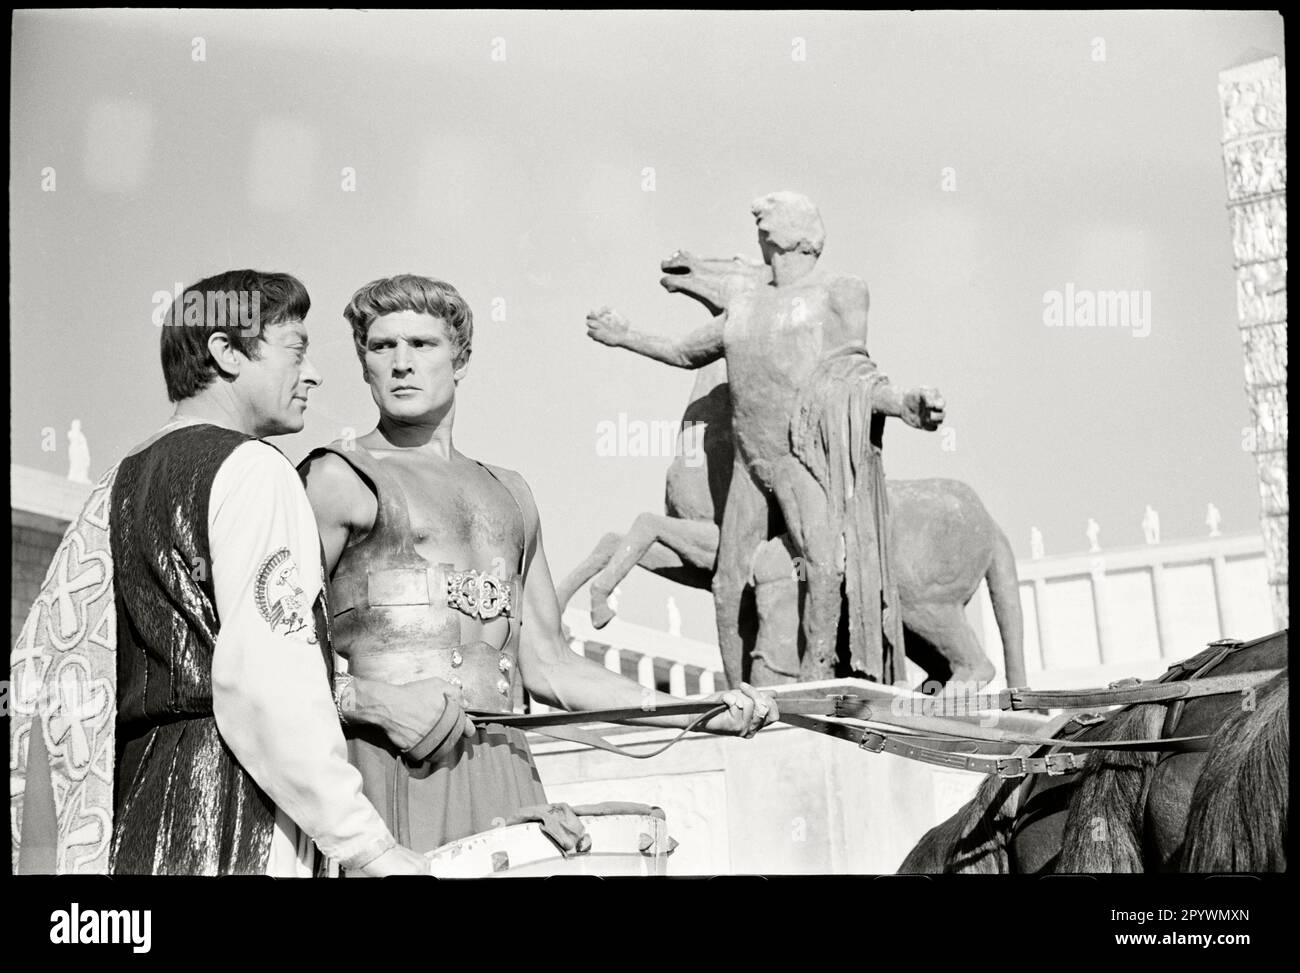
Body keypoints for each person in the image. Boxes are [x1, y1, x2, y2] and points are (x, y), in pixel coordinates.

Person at [298, 274, 778, 856]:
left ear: (461, 358)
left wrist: (697, 714)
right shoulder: (335, 478)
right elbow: (264, 660)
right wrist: (370, 701)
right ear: (364, 363)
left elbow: (550, 667)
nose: (401, 363)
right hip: (379, 771)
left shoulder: (511, 494)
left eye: (421, 345)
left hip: (503, 768)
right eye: (382, 347)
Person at [10, 270, 430, 876]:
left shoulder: (117, 483)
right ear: (227, 353)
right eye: (295, 350)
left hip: (130, 812)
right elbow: (271, 685)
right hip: (232, 812)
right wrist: (367, 845)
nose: (312, 374)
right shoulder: (255, 470)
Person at [586, 192, 946, 686]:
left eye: (771, 212)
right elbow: (683, 352)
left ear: (802, 234)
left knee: (823, 565)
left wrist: (905, 405)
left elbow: (854, 375)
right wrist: (625, 335)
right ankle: (738, 695)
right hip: (750, 466)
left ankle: (818, 672)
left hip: (801, 458)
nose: (759, 217)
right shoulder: (746, 306)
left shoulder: (838, 293)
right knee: (728, 582)